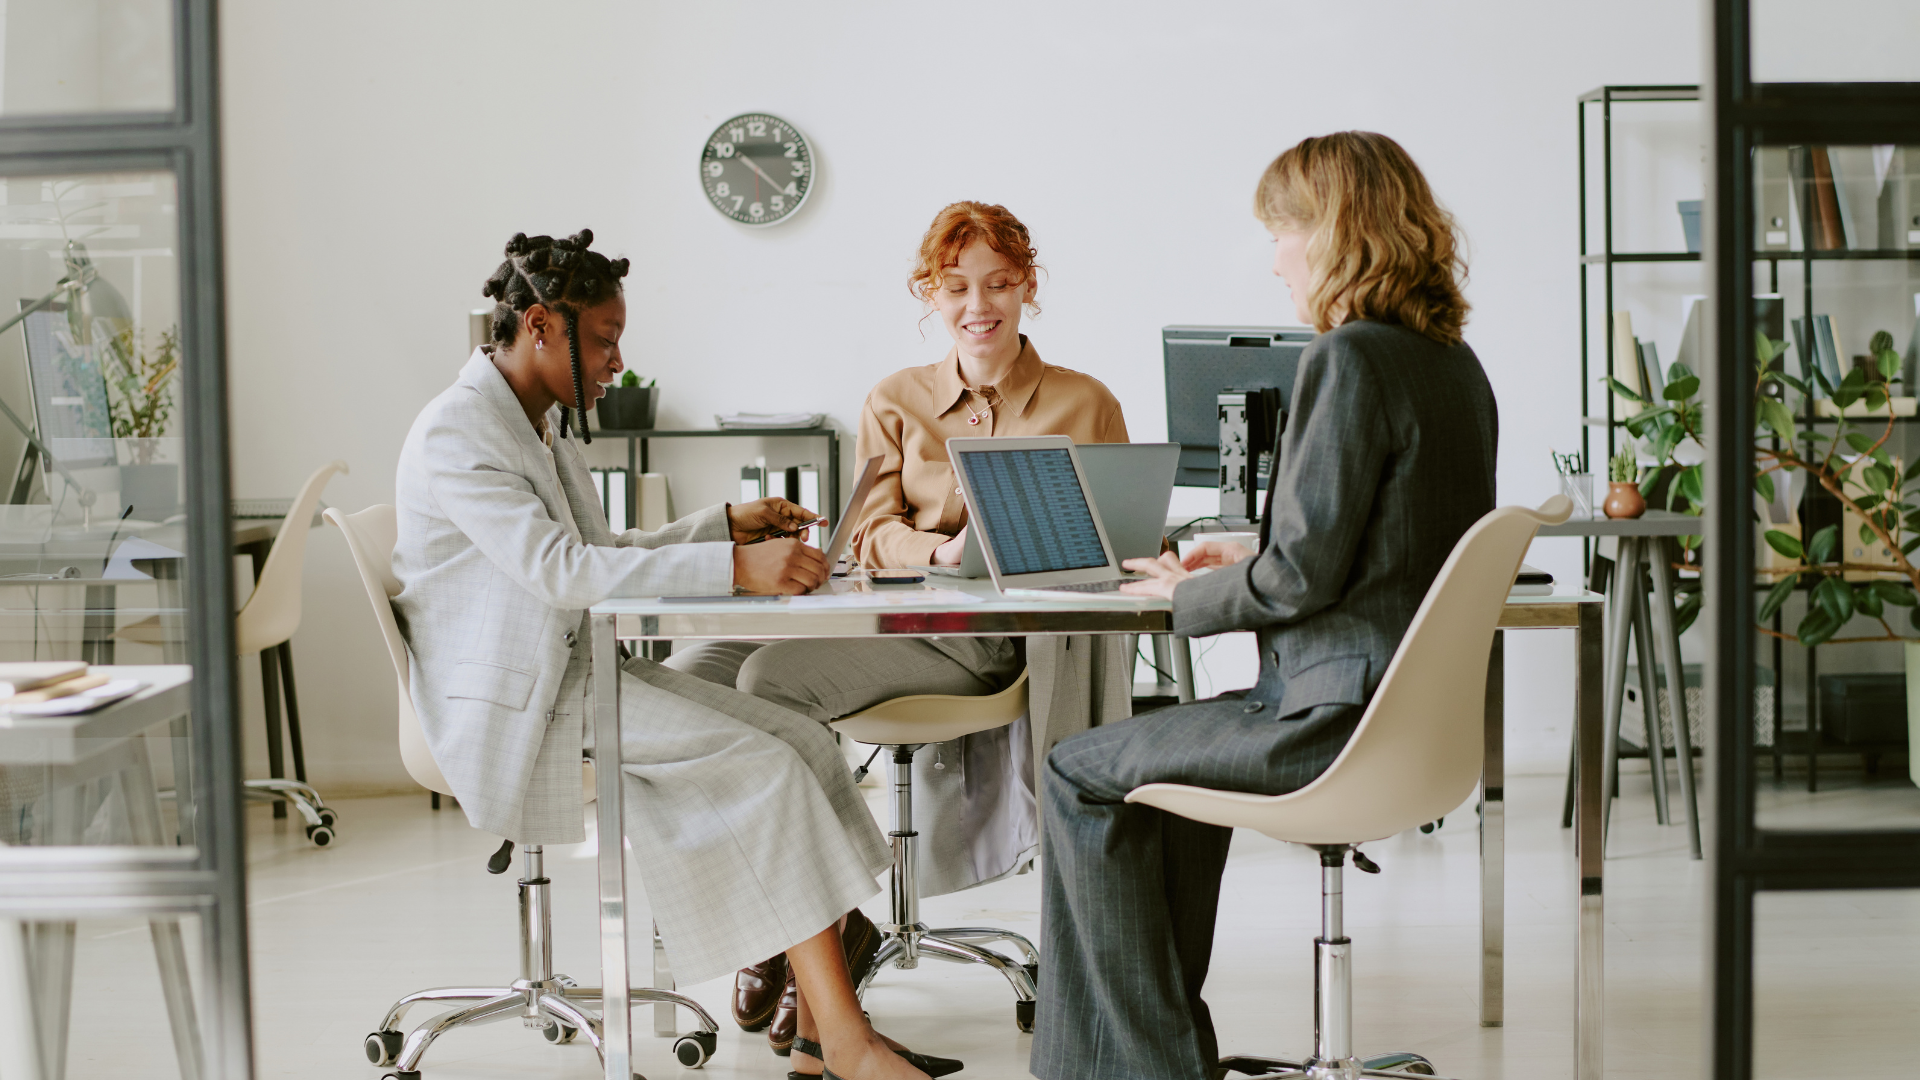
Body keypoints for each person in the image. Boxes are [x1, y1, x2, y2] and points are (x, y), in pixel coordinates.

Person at [394, 230, 959, 1080]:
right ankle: (847, 1043)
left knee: (801, 742)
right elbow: (560, 572)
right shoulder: (460, 431)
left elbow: (601, 547)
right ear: (541, 325)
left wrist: (720, 527)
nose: (620, 360)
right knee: (766, 766)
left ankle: (819, 1036)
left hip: (582, 672)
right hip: (528, 700)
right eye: (605, 339)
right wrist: (736, 568)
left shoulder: (540, 425)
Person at [1027, 133, 1499, 1080]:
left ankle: (1146, 1066)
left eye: (1281, 230)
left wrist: (1188, 590)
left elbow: (1301, 582)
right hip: (1404, 721)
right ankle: (1150, 1055)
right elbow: (1376, 547)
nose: (1275, 254)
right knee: (1157, 765)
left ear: (1334, 232)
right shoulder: (1452, 365)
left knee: (1077, 769)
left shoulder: (1348, 358)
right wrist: (1246, 552)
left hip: (1329, 721)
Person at [664, 202, 1129, 1060]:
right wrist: (939, 547)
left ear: (1027, 286)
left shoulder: (1083, 401)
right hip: (885, 621)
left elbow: (1114, 541)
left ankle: (800, 939)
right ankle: (813, 924)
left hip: (986, 645)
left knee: (770, 685)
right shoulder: (895, 399)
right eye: (954, 288)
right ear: (930, 293)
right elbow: (867, 533)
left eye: (996, 283)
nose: (976, 305)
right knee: (691, 674)